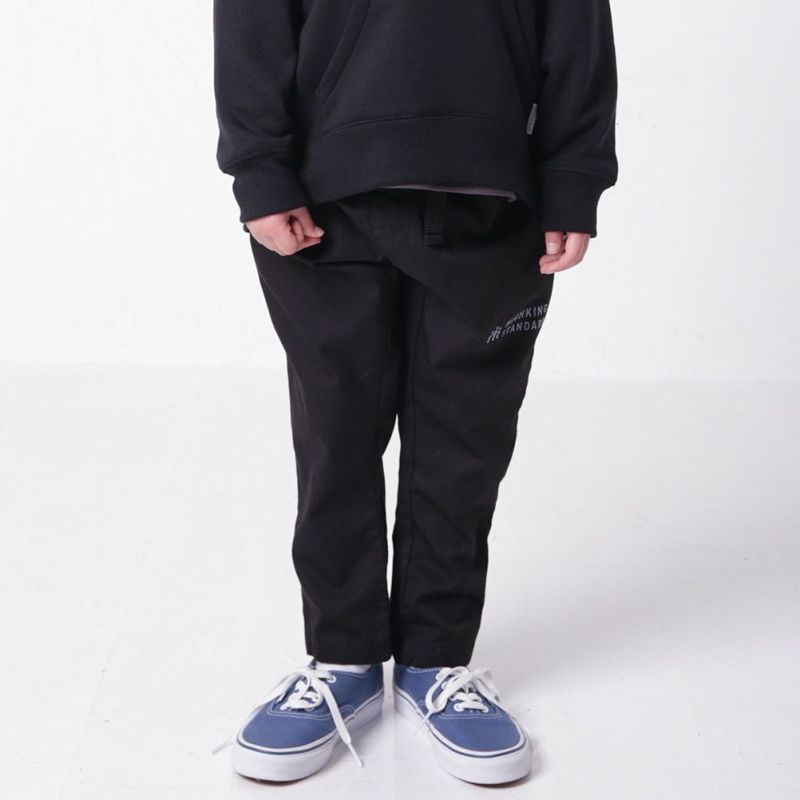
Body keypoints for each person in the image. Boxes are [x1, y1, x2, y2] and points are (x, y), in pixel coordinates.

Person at [211, 0, 618, 785]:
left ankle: (436, 660)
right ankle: (344, 658)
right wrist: (259, 168)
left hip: (495, 205)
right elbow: (251, 19)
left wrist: (573, 179)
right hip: (324, 200)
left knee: (465, 443)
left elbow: (578, 28)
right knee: (336, 440)